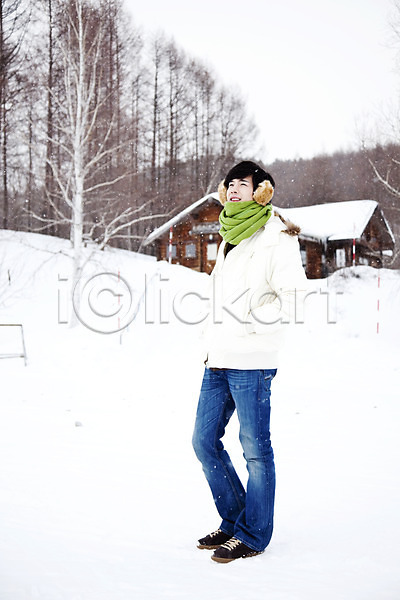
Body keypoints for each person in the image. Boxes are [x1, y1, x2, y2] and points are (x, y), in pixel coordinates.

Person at [192, 160, 307, 563]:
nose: (234, 189)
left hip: (252, 359)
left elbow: (294, 298)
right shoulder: (228, 236)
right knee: (203, 442)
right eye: (230, 184)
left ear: (261, 191)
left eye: (243, 183)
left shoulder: (276, 236)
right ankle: (235, 520)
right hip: (218, 358)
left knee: (255, 450)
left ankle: (254, 535)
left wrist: (247, 322)